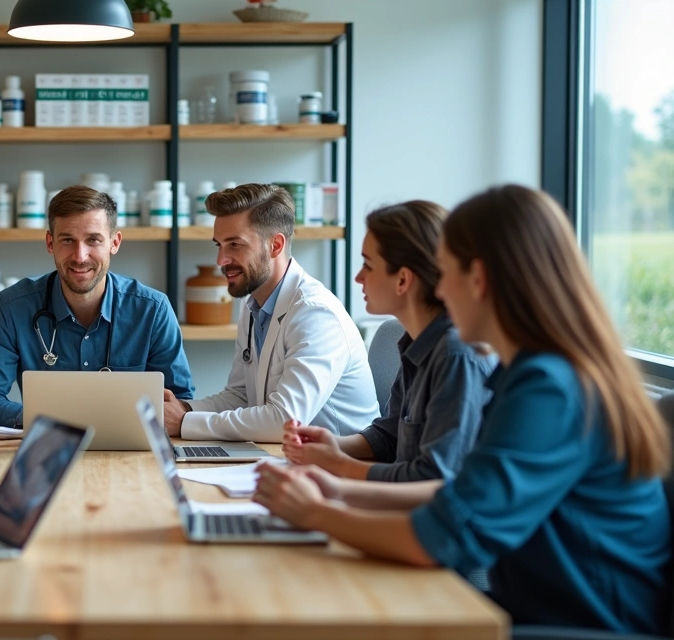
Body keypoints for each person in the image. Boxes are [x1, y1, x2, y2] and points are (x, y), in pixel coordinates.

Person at [255, 184, 671, 634]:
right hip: (537, 610)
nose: (440, 288)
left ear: (479, 279)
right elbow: (461, 494)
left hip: (589, 627)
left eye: (446, 271)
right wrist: (338, 490)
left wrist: (317, 513)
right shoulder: (529, 372)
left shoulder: (549, 387)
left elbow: (446, 534)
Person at [281, 201, 494, 481]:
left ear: (402, 280)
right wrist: (334, 445)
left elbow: (432, 477)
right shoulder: (415, 342)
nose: (358, 277)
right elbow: (390, 436)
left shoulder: (455, 356)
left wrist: (339, 465)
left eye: (367, 265)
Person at [0, 185, 194, 428]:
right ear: (50, 243)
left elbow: (179, 404)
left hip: (131, 448)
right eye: (67, 240)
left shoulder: (153, 310)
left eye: (93, 240)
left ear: (114, 243)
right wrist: (52, 420)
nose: (80, 256)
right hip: (48, 445)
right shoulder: (11, 308)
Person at [163, 183, 378, 442]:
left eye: (235, 244)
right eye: (219, 245)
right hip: (284, 455)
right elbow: (241, 396)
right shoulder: (254, 305)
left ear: (275, 245)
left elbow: (285, 421)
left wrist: (185, 422)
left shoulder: (316, 314)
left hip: (334, 462)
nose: (221, 260)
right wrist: (183, 409)